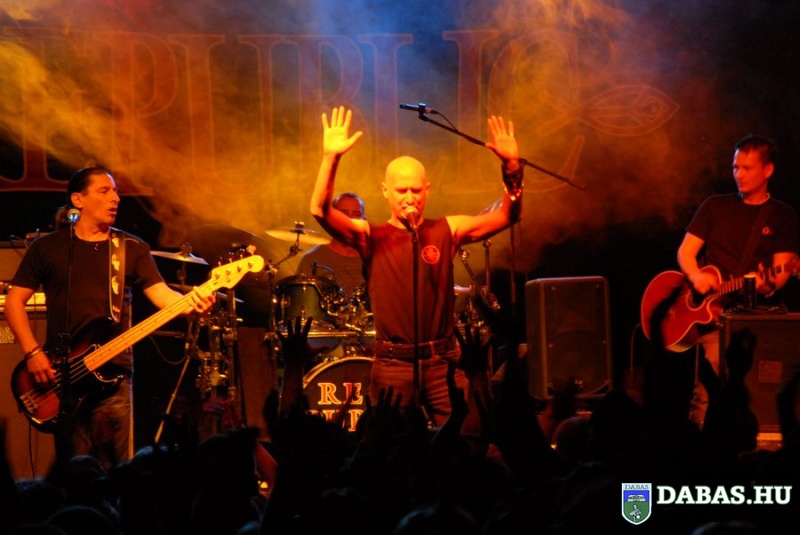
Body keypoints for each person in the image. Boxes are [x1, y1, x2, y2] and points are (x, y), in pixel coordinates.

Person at [310, 105, 522, 427]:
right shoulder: (372, 236)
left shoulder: (447, 229)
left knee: (466, 438)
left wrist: (511, 169)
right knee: (390, 448)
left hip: (442, 363)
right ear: (385, 192)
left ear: (427, 190)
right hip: (392, 365)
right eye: (401, 190)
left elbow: (508, 215)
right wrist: (331, 158)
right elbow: (320, 210)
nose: (409, 197)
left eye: (416, 190)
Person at [4, 166, 215, 471]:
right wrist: (33, 353)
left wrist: (192, 304)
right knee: (76, 473)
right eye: (104, 191)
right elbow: (14, 302)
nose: (115, 198)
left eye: (115, 191)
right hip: (63, 377)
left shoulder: (131, 248)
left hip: (114, 375)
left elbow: (163, 297)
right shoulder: (47, 248)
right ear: (78, 199)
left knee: (118, 473)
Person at [676, 134, 799, 427]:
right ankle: (700, 449)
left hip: (761, 319)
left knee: (761, 393)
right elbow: (685, 252)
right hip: (715, 318)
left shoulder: (782, 215)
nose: (738, 175)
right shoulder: (714, 207)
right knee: (706, 393)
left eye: (746, 168)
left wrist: (765, 284)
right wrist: (696, 277)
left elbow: (780, 273)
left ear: (768, 170)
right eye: (735, 167)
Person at [296, 192, 367, 296]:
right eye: (343, 214)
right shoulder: (312, 259)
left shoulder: (374, 259)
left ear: (364, 220)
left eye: (356, 214)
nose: (350, 220)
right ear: (332, 219)